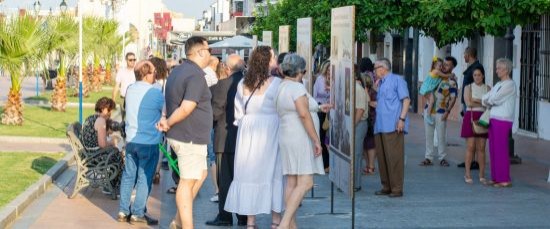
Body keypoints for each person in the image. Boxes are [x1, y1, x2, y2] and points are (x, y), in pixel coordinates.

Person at [224, 46, 284, 228]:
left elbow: (238, 112)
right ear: (267, 61)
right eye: (273, 58)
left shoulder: (243, 83)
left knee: (248, 173)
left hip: (247, 130)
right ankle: (275, 220)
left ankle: (250, 221)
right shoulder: (277, 83)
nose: (275, 61)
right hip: (271, 130)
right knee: (273, 172)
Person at [160, 36, 213, 229]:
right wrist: (167, 122)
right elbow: (186, 107)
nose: (211, 54)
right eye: (209, 50)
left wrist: (165, 118)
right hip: (188, 136)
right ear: (200, 52)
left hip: (188, 136)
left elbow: (168, 100)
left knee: (201, 174)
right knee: (187, 180)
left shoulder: (178, 71)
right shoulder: (195, 76)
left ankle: (178, 220)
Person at [275, 54, 329, 229]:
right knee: (306, 182)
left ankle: (291, 225)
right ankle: (284, 224)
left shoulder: (282, 86)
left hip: (287, 135)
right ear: (301, 72)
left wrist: (319, 107)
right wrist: (316, 140)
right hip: (299, 137)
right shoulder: (297, 88)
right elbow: (303, 114)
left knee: (292, 181)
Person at [117, 60, 164, 225]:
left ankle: (123, 210)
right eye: (153, 72)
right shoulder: (155, 93)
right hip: (148, 141)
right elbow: (165, 111)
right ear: (147, 74)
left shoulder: (130, 89)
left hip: (131, 141)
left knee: (128, 176)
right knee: (145, 177)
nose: (155, 74)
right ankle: (137, 212)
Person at [206, 54, 248, 227]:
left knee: (225, 180)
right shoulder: (249, 84)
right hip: (244, 138)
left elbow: (215, 113)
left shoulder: (222, 85)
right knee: (242, 179)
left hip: (224, 139)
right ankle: (244, 217)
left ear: (228, 68)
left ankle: (224, 216)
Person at [372, 58, 410, 198]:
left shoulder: (397, 80)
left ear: (383, 68)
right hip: (380, 125)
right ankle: (386, 186)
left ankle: (396, 188)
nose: (374, 71)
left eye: (375, 68)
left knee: (394, 158)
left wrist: (402, 119)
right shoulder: (381, 83)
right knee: (382, 158)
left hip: (393, 125)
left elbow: (406, 100)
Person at [482, 58, 516, 188]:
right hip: (493, 118)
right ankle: (496, 177)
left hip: (503, 119)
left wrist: (489, 100)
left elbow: (495, 99)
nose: (496, 71)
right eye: (497, 68)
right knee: (493, 149)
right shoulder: (498, 84)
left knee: (501, 149)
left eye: (499, 68)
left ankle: (504, 179)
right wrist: (488, 100)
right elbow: (486, 97)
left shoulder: (510, 84)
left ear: (506, 69)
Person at [419, 56, 458, 167]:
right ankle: (428, 157)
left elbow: (453, 98)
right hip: (429, 110)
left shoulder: (452, 81)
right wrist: (424, 109)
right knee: (428, 134)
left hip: (441, 111)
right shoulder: (436, 75)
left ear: (452, 67)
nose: (444, 66)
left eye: (447, 65)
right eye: (443, 64)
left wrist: (448, 111)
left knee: (441, 136)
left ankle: (442, 158)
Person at [80, 97, 123, 195]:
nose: (110, 113)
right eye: (109, 110)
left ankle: (110, 185)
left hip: (87, 154)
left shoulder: (91, 118)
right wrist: (112, 142)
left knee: (115, 152)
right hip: (93, 158)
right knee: (117, 154)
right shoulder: (101, 121)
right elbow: (102, 144)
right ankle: (115, 187)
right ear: (104, 109)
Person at [460, 65, 490, 184]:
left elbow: (490, 104)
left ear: (483, 75)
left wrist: (476, 100)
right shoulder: (468, 87)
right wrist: (483, 101)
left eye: (479, 75)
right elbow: (468, 102)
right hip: (470, 117)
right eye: (475, 75)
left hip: (483, 119)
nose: (477, 77)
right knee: (471, 147)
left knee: (481, 148)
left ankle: (482, 175)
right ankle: (467, 174)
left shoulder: (488, 88)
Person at [458, 47, 484, 169]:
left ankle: (475, 161)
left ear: (469, 55)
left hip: (473, 105)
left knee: (475, 133)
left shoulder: (477, 67)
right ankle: (471, 159)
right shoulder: (471, 67)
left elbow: (478, 86)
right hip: (467, 103)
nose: (464, 57)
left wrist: (472, 101)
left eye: (465, 55)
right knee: (470, 133)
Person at [149, 56, 169, 184]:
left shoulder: (156, 85)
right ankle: (156, 172)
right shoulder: (166, 82)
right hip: (163, 119)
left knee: (155, 148)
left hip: (155, 119)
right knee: (160, 148)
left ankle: (153, 172)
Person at [204, 56, 220, 202]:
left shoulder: (210, 88)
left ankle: (217, 190)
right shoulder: (239, 86)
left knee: (213, 157)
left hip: (210, 123)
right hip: (222, 126)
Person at [419, 57, 454, 125]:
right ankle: (428, 116)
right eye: (439, 65)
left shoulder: (435, 71)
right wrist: (451, 75)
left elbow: (441, 78)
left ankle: (425, 113)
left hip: (428, 89)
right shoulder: (436, 71)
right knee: (432, 101)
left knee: (430, 101)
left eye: (442, 66)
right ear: (435, 65)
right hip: (427, 89)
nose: (441, 67)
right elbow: (445, 75)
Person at [313, 60, 331, 172]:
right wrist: (328, 89)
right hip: (320, 109)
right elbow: (318, 92)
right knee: (321, 135)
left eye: (331, 70)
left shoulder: (334, 79)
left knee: (327, 138)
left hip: (330, 110)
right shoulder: (320, 79)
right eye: (328, 70)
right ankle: (324, 164)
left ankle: (327, 163)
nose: (330, 72)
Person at [353, 71, 369, 192]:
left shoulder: (357, 89)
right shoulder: (352, 87)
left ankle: (356, 184)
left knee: (357, 153)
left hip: (358, 124)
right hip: (355, 124)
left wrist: (353, 125)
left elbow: (360, 110)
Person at [112, 52, 137, 121]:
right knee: (120, 121)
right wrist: (113, 100)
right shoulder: (121, 71)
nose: (133, 61)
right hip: (123, 98)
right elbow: (116, 86)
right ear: (126, 60)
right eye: (130, 60)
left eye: (134, 60)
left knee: (131, 120)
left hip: (134, 100)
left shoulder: (137, 72)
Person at [363, 74, 377, 175]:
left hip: (371, 121)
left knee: (371, 145)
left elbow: (370, 102)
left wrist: (366, 92)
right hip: (365, 121)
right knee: (365, 145)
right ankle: (367, 165)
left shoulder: (373, 92)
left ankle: (371, 166)